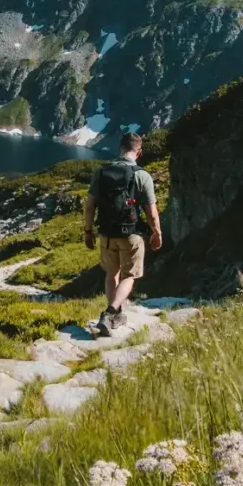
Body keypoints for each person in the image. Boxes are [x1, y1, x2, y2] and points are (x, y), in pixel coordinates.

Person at [83, 131, 162, 336]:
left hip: (107, 234)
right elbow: (151, 212)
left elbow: (89, 206)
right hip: (132, 234)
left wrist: (88, 231)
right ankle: (110, 314)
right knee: (129, 276)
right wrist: (157, 233)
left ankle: (115, 315)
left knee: (112, 273)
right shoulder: (142, 175)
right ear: (139, 151)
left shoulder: (101, 173)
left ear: (120, 148)